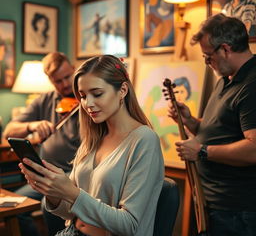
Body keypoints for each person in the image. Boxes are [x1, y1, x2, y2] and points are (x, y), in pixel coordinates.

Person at [18, 54, 164, 236]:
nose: (88, 104)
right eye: (83, 96)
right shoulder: (93, 139)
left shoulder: (144, 140)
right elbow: (71, 213)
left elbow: (130, 225)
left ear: (123, 90)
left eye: (97, 94)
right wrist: (52, 191)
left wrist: (71, 192)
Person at [168, 13, 256, 235]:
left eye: (208, 57)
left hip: (238, 211)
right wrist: (191, 122)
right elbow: (221, 131)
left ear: (225, 49)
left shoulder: (252, 85)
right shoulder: (226, 78)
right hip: (215, 203)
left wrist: (203, 151)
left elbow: (254, 148)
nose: (207, 64)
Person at [3, 52, 80, 236]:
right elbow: (9, 131)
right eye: (57, 81)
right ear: (51, 81)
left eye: (67, 77)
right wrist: (32, 125)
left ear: (73, 69)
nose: (65, 85)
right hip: (44, 174)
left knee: (48, 205)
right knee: (18, 205)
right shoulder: (45, 100)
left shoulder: (86, 100)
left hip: (73, 175)